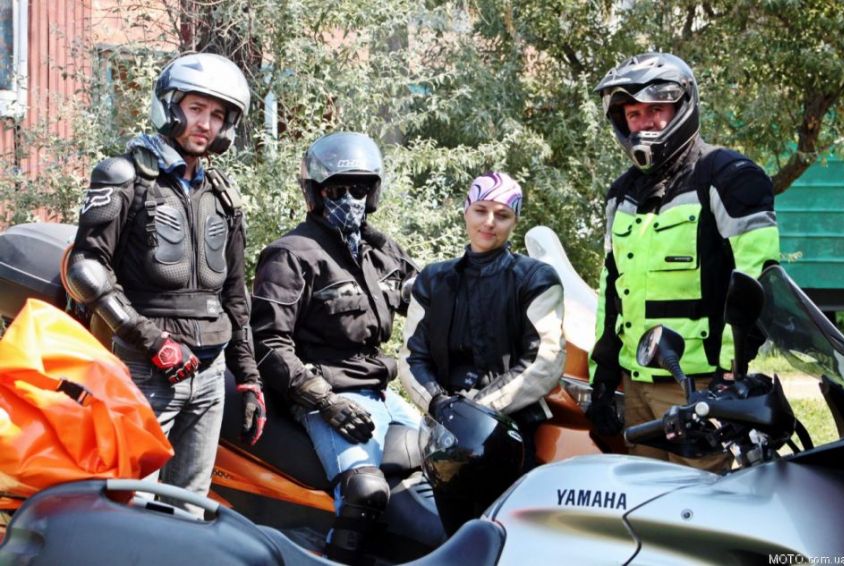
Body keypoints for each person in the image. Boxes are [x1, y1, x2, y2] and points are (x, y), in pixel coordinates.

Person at [63, 53, 266, 515]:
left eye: (218, 115)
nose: (206, 124)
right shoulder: (124, 177)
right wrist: (151, 341)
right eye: (196, 109)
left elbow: (235, 293)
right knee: (128, 507)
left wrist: (249, 378)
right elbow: (86, 268)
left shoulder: (224, 195)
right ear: (170, 106)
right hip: (144, 370)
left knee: (189, 510)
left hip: (210, 374)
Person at [586, 52, 780, 471]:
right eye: (634, 114)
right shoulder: (621, 194)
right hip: (635, 384)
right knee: (647, 500)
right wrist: (602, 374)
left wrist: (730, 374)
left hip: (698, 386)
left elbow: (759, 277)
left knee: (703, 500)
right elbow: (612, 288)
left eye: (656, 109)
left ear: (682, 107)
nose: (645, 122)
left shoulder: (729, 175)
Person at [250, 131, 421, 564]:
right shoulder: (291, 255)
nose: (350, 200)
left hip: (380, 388)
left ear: (373, 193)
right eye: (336, 190)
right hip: (325, 392)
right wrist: (325, 402)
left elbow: (430, 298)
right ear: (315, 193)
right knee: (365, 490)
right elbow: (268, 342)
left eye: (359, 189)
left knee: (446, 461)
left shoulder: (379, 251)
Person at [398, 172, 566, 533]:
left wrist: (476, 411)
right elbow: (411, 357)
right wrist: (440, 405)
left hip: (512, 434)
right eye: (481, 210)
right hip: (445, 438)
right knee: (456, 541)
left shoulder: (536, 278)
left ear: (515, 221)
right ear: (466, 212)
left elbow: (545, 360)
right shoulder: (432, 280)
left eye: (502, 215)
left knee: (508, 540)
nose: (489, 222)